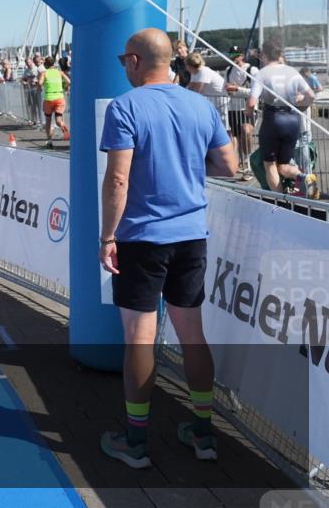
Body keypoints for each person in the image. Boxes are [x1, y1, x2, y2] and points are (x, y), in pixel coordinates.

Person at [99, 28, 237, 470]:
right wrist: (186, 165)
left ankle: (136, 442)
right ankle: (204, 434)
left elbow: (117, 180)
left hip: (143, 238)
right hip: (191, 235)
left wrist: (107, 236)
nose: (123, 66)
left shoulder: (125, 107)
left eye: (123, 60)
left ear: (135, 61)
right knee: (192, 334)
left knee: (139, 339)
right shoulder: (200, 105)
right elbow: (229, 165)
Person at [246, 39, 316, 194]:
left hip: (273, 119)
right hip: (292, 119)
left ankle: (279, 200)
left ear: (264, 55)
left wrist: (249, 112)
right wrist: (301, 108)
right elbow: (311, 95)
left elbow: (251, 102)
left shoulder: (262, 73)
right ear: (279, 54)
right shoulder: (292, 71)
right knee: (283, 165)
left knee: (270, 164)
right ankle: (304, 177)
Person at [224, 48, 258, 178]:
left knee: (246, 131)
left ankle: (247, 161)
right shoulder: (228, 70)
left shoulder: (252, 70)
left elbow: (255, 91)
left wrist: (237, 88)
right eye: (231, 55)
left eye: (236, 55)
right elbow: (224, 89)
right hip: (233, 108)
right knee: (237, 137)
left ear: (242, 56)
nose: (233, 57)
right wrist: (228, 89)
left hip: (248, 107)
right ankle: (243, 163)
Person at [39, 57, 70, 148]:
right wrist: (65, 87)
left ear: (46, 64)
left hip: (49, 98)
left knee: (48, 121)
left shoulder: (44, 73)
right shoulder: (60, 72)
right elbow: (69, 81)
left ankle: (49, 141)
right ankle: (63, 126)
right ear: (53, 64)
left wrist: (39, 88)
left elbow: (40, 83)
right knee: (58, 121)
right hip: (59, 98)